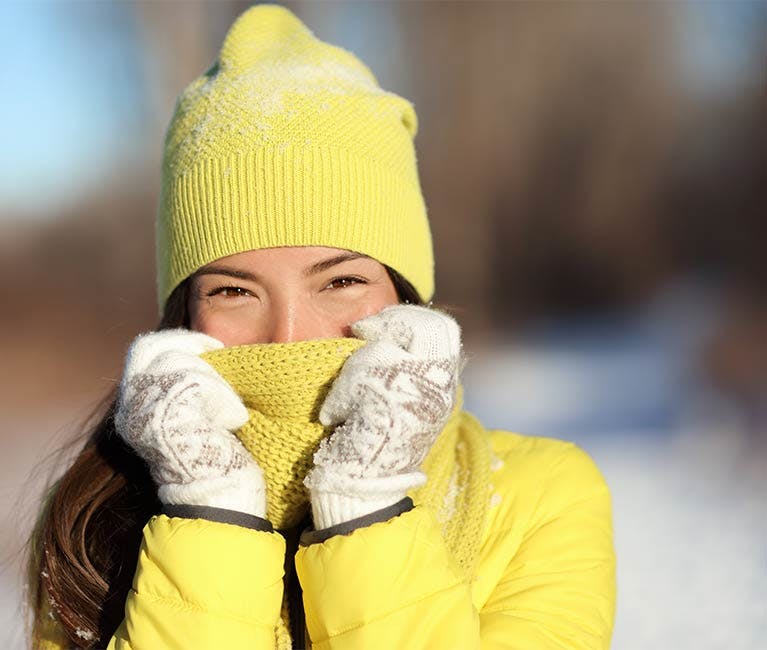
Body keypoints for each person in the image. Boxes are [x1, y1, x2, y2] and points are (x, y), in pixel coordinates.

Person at [27, 4, 616, 649]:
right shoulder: (95, 521)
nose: (289, 336)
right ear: (183, 315)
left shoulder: (541, 497)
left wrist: (365, 504)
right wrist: (207, 512)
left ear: (405, 294)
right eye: (233, 290)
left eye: (339, 281)